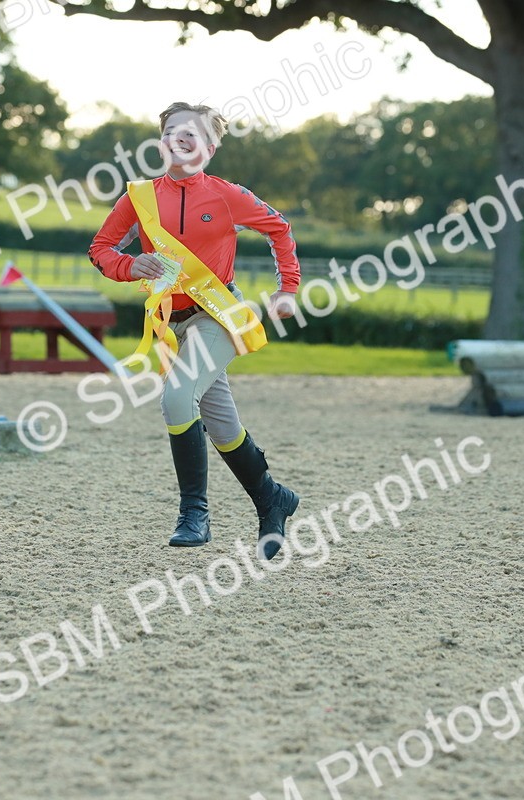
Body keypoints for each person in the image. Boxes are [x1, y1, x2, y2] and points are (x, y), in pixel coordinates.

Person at [88, 101, 301, 559]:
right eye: (171, 130)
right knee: (222, 426)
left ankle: (194, 514)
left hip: (217, 316)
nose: (180, 137)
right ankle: (273, 498)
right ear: (161, 141)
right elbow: (101, 248)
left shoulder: (228, 195)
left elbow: (280, 230)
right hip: (170, 324)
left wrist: (287, 289)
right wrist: (129, 265)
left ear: (211, 147)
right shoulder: (137, 198)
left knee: (176, 398)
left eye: (192, 132)